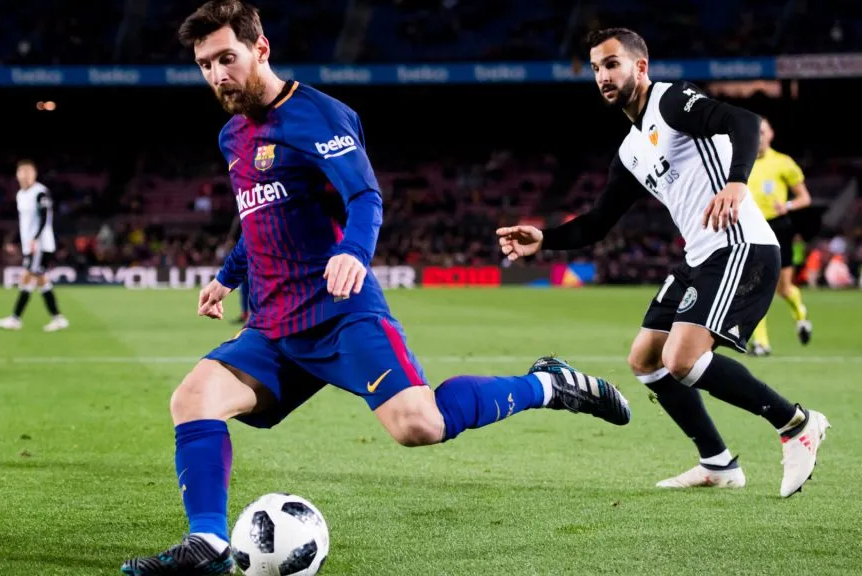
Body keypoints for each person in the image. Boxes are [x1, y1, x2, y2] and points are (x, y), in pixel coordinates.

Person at [120, 2, 631, 575]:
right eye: (205, 64)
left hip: (342, 315)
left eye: (226, 58)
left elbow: (365, 197)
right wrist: (225, 276)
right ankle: (209, 544)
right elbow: (260, 217)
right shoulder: (231, 135)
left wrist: (353, 253)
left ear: (260, 49)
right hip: (274, 326)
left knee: (420, 425)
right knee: (192, 398)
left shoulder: (321, 116)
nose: (217, 75)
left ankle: (547, 384)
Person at [497, 28, 829, 497]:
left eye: (612, 64)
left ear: (641, 67)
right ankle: (718, 463)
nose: (603, 76)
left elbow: (746, 122)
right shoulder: (631, 151)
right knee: (646, 358)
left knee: (682, 359)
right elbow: (596, 222)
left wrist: (737, 183)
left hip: (740, 247)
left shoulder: (671, 102)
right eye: (595, 68)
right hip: (699, 258)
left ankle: (797, 424)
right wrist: (543, 238)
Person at [745, 117, 813, 356]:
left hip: (778, 227)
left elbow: (805, 198)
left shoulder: (783, 163)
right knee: (755, 286)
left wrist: (788, 205)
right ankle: (761, 343)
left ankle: (801, 317)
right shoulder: (741, 161)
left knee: (783, 289)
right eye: (756, 132)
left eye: (763, 131)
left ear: (771, 134)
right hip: (752, 228)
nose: (759, 136)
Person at [0, 159, 69, 332]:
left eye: (29, 171)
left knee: (27, 278)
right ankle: (57, 318)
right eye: (22, 171)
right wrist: (14, 241)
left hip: (41, 245)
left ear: (34, 174)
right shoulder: (20, 195)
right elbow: (23, 222)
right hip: (30, 245)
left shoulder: (40, 193)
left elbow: (44, 218)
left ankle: (15, 318)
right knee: (41, 280)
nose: (25, 175)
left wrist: (35, 238)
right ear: (17, 175)